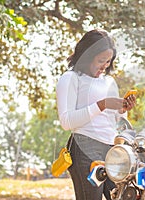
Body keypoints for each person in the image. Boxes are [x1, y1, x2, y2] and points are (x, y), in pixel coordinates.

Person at [56, 29, 136, 200]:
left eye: (108, 61)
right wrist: (101, 105)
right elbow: (66, 121)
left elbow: (117, 122)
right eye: (101, 61)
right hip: (85, 147)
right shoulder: (71, 78)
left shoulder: (109, 81)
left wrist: (122, 110)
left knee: (122, 196)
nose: (105, 66)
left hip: (112, 150)